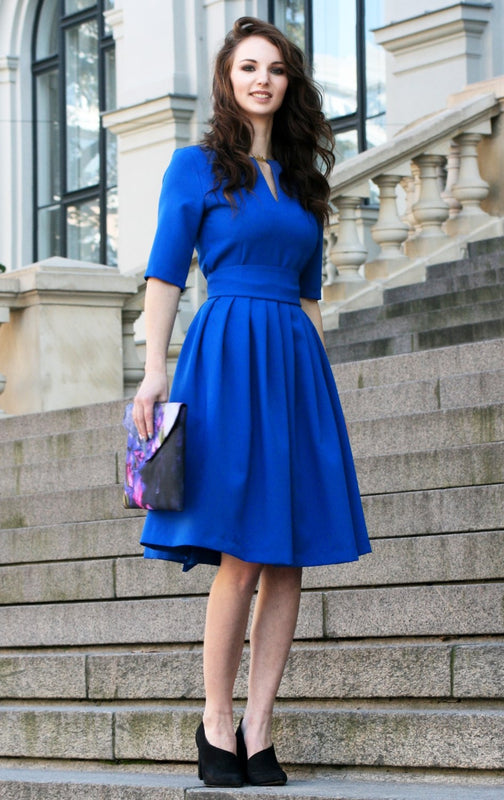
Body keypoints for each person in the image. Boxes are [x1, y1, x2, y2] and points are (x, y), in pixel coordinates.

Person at [132, 16, 371, 789]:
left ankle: (261, 730)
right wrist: (151, 371)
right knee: (239, 554)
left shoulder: (304, 183)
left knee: (289, 558)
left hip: (294, 365)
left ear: (289, 83)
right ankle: (214, 721)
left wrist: (317, 391)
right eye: (247, 67)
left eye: (274, 68)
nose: (261, 79)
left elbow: (308, 297)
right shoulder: (195, 167)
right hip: (226, 352)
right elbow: (165, 274)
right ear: (228, 82)